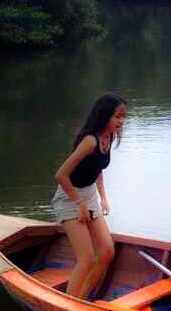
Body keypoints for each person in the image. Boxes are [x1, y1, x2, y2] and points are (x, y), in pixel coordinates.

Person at [51, 92, 127, 299]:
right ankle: (68, 306)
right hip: (69, 197)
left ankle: (80, 300)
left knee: (107, 252)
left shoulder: (108, 136)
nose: (121, 121)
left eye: (123, 116)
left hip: (89, 195)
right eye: (117, 116)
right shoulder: (90, 141)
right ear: (104, 116)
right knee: (86, 259)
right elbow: (61, 175)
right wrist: (79, 204)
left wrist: (103, 198)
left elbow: (97, 168)